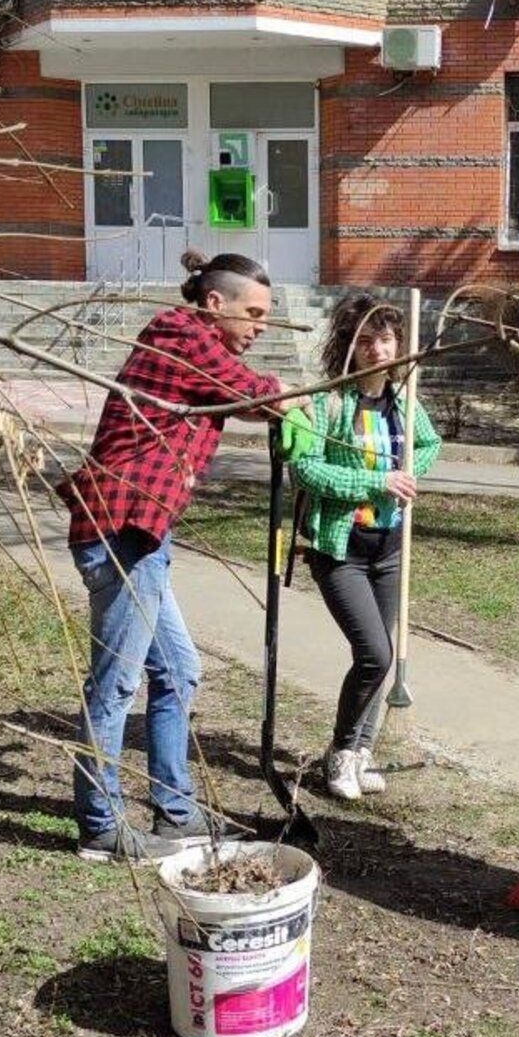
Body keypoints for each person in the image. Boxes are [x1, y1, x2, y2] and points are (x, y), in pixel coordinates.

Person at [57, 249, 300, 864]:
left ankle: (176, 810)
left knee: (179, 670)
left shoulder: (197, 342)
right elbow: (249, 393)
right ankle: (100, 825)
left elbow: (241, 394)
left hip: (144, 535)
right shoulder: (179, 332)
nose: (260, 326)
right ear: (213, 303)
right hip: (120, 530)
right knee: (115, 683)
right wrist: (298, 396)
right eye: (253, 312)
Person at [293, 294, 442, 800]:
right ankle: (338, 754)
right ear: (350, 348)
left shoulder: (404, 400)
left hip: (389, 548)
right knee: (375, 655)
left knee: (380, 660)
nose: (380, 349)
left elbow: (429, 444)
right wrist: (378, 481)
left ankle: (362, 754)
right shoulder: (330, 401)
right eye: (369, 340)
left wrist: (407, 476)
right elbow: (307, 468)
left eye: (388, 338)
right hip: (340, 550)